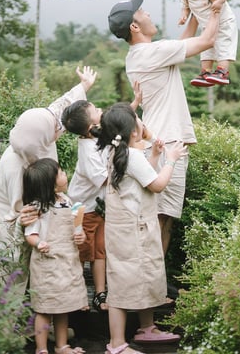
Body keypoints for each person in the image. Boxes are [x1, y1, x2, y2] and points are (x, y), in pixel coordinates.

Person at [108, 0, 220, 259]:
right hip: (166, 142)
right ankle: (149, 281)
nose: (147, 13)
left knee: (159, 216)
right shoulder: (152, 53)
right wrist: (215, 9)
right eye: (141, 12)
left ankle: (150, 280)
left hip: (157, 139)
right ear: (135, 26)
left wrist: (194, 8)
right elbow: (207, 40)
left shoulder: (141, 55)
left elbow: (181, 44)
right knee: (161, 218)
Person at [0, 66, 98, 295]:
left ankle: (33, 319)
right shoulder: (17, 166)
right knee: (14, 264)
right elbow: (20, 209)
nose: (58, 131)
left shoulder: (43, 123)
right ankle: (8, 322)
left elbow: (62, 107)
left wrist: (84, 85)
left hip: (32, 204)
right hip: (4, 211)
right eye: (54, 129)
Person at [96, 103, 187, 354]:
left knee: (145, 273)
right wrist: (170, 160)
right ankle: (116, 345)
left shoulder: (119, 152)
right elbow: (157, 185)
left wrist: (155, 157)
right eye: (138, 120)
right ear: (133, 131)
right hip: (132, 231)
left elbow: (141, 178)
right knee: (123, 284)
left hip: (129, 229)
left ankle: (147, 328)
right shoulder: (131, 156)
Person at [60, 84, 143, 313]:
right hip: (84, 211)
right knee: (82, 254)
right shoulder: (87, 150)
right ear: (91, 125)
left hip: (98, 210)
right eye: (95, 108)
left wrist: (133, 105)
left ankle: (99, 293)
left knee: (99, 251)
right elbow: (105, 179)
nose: (100, 109)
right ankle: (75, 297)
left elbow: (117, 122)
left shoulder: (97, 136)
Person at [22, 158, 88, 354]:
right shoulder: (38, 208)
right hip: (47, 265)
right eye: (60, 172)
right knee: (44, 308)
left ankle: (62, 346)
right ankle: (41, 348)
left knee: (63, 306)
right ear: (48, 182)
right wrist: (39, 242)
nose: (64, 174)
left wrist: (80, 235)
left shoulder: (66, 201)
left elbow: (77, 227)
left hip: (66, 261)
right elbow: (30, 234)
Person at [177, 0, 238, 87]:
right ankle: (206, 72)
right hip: (207, 25)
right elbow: (185, 7)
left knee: (222, 44)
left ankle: (222, 71)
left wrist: (220, 0)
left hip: (224, 22)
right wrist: (184, 15)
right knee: (205, 48)